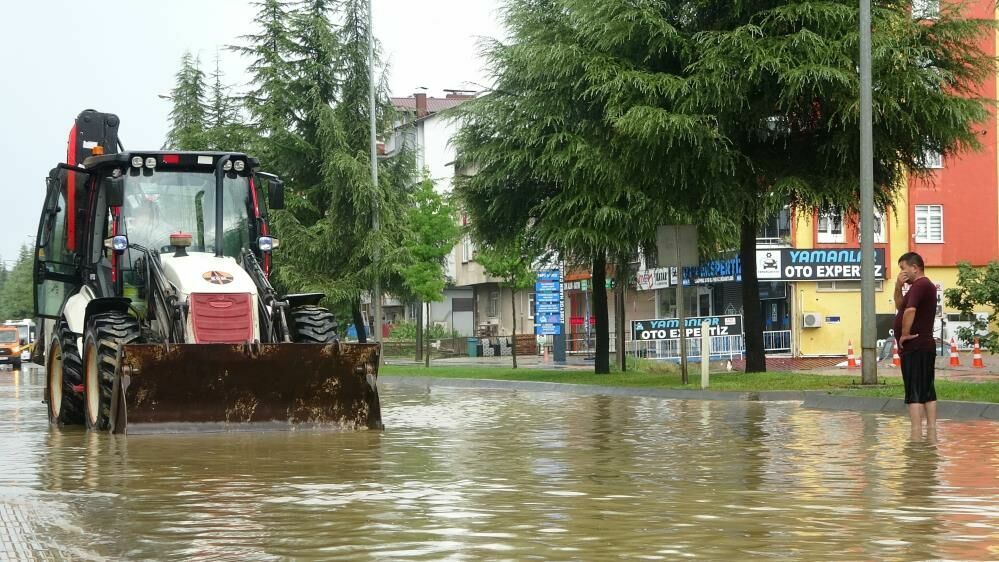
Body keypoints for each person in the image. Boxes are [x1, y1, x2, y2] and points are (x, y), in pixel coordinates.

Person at [893, 252, 938, 441]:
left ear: (914, 267)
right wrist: (897, 287)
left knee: (915, 392)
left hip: (916, 346)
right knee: (927, 390)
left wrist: (904, 335)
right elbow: (901, 306)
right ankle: (931, 434)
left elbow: (910, 311)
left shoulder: (920, 285)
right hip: (924, 345)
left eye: (903, 268)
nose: (902, 272)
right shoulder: (918, 287)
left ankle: (916, 436)